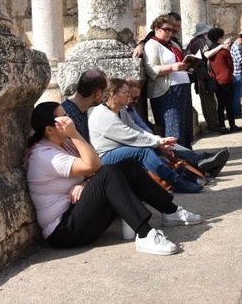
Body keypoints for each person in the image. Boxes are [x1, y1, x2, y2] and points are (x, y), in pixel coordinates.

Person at [26, 101, 202, 256]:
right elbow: (94, 166)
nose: (69, 120)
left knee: (128, 166)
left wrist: (85, 183)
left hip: (78, 213)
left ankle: (171, 211)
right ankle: (144, 234)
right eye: (63, 118)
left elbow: (95, 165)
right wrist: (74, 134)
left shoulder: (62, 143)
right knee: (109, 174)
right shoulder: (45, 155)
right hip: (64, 231)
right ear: (49, 129)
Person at [89, 78, 202, 193]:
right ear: (113, 94)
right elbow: (130, 136)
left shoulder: (121, 112)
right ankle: (175, 181)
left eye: (129, 92)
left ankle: (185, 174)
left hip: (121, 149)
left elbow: (138, 130)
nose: (128, 96)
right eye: (125, 93)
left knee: (159, 149)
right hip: (105, 156)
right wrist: (157, 143)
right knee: (143, 151)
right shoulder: (103, 115)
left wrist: (159, 140)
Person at [123, 78, 230, 177]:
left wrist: (157, 139)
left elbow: (143, 127)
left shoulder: (131, 109)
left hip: (145, 140)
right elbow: (133, 133)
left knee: (170, 145)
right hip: (136, 144)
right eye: (134, 98)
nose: (136, 101)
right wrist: (157, 141)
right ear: (125, 94)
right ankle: (204, 161)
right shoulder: (121, 112)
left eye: (138, 98)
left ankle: (207, 163)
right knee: (167, 148)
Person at [144, 14, 195, 149]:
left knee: (185, 126)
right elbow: (151, 69)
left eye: (171, 30)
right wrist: (172, 67)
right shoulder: (152, 45)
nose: (169, 33)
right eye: (166, 29)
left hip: (181, 91)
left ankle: (188, 157)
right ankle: (178, 160)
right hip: (167, 93)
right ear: (156, 29)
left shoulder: (172, 44)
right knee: (174, 127)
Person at [186, 21, 223, 134]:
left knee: (205, 101)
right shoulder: (201, 41)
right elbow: (206, 54)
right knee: (210, 101)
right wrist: (221, 47)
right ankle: (214, 125)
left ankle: (211, 124)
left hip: (197, 75)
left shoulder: (192, 42)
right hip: (203, 74)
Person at [208, 28, 242, 133]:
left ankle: (222, 126)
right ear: (219, 38)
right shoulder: (223, 51)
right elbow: (230, 65)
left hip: (216, 80)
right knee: (229, 104)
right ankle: (232, 125)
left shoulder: (210, 51)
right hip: (226, 79)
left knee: (221, 104)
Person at [61, 69, 107, 143]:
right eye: (105, 91)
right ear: (97, 94)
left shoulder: (81, 108)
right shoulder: (68, 115)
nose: (105, 95)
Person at [230, 33, 242, 116]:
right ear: (241, 39)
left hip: (237, 73)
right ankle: (237, 112)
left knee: (237, 94)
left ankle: (236, 111)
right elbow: (240, 60)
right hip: (238, 74)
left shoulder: (234, 46)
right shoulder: (237, 47)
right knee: (238, 94)